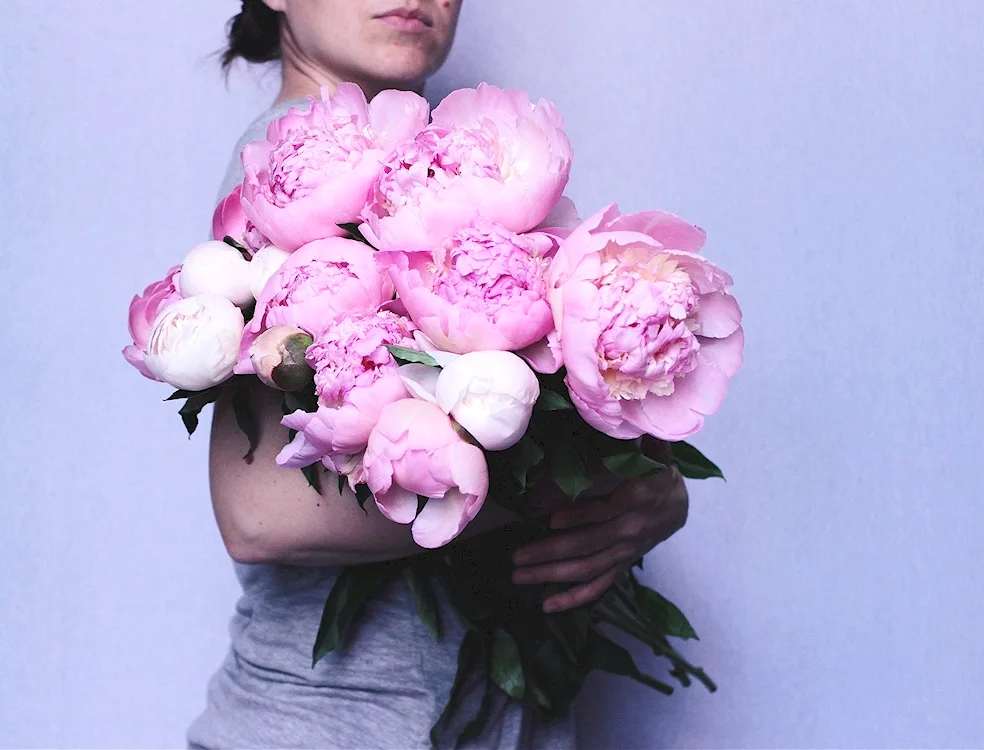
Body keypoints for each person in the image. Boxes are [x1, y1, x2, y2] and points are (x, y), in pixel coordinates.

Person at [187, 2, 691, 748]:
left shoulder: (440, 171)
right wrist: (589, 489)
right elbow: (259, 515)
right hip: (336, 726)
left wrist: (649, 481)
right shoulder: (288, 171)